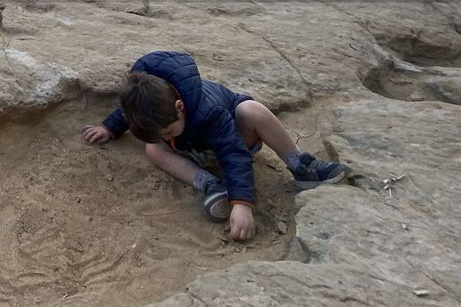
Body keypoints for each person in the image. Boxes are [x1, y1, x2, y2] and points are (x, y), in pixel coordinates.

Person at [83, 51, 350, 241]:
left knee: (251, 110)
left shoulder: (209, 111)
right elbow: (130, 111)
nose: (163, 135)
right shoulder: (147, 94)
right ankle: (210, 184)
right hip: (192, 147)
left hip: (234, 136)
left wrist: (243, 204)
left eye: (167, 130)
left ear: (180, 108)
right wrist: (109, 127)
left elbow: (234, 154)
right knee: (153, 148)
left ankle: (299, 163)